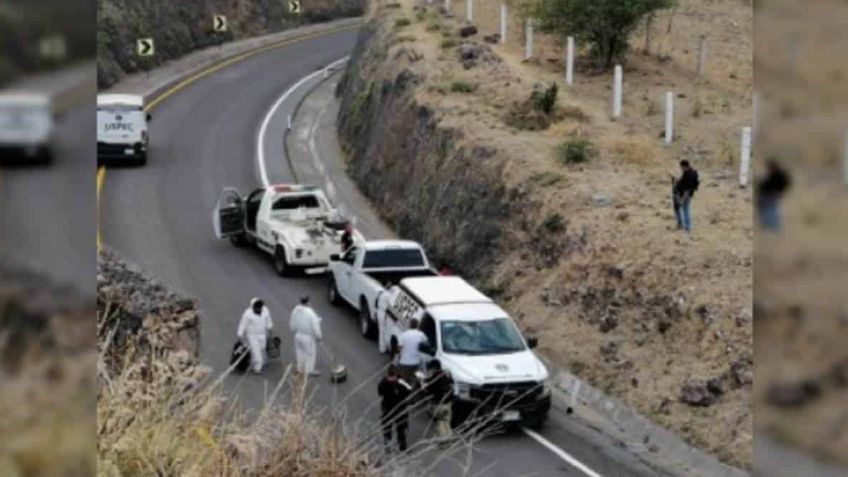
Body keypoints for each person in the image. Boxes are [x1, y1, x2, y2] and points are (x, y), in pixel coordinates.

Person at [378, 364, 412, 453]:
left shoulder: (386, 382)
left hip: (392, 409)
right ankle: (398, 448)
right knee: (394, 429)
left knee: (393, 429)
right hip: (395, 409)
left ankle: (394, 448)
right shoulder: (392, 382)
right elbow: (409, 391)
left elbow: (380, 392)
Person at [237, 298, 273, 373]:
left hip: (262, 334)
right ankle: (257, 368)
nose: (259, 309)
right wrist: (240, 334)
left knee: (261, 349)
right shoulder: (247, 314)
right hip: (252, 335)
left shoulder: (265, 311)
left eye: (260, 307)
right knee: (256, 350)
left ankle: (254, 363)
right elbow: (243, 324)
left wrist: (270, 329)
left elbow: (268, 320)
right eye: (257, 307)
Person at [289, 295, 323, 376]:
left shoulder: (295, 310)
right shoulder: (311, 313)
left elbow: (292, 323)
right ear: (308, 302)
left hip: (297, 335)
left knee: (299, 352)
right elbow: (315, 326)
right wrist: (318, 336)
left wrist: (294, 329)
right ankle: (309, 370)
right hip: (308, 336)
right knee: (310, 354)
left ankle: (300, 368)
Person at [757, 159, 791, 231]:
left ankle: (772, 227)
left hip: (770, 195)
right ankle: (769, 226)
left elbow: (769, 185)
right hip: (767, 196)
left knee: (770, 211)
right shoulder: (774, 174)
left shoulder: (777, 175)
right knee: (768, 211)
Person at [423, 359, 454, 440]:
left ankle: (443, 441)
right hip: (448, 403)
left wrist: (424, 384)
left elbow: (428, 389)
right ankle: (449, 437)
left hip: (439, 403)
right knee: (446, 421)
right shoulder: (446, 375)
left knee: (439, 422)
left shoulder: (435, 379)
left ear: (433, 368)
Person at [397, 318, 429, 383]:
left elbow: (399, 347)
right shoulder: (421, 334)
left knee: (404, 382)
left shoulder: (404, 334)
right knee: (415, 381)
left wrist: (400, 354)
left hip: (404, 362)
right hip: (416, 362)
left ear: (409, 325)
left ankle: (405, 391)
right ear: (417, 325)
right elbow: (426, 345)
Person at [672, 160, 700, 232]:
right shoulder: (693, 172)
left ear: (685, 166)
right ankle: (685, 226)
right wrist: (677, 180)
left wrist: (682, 200)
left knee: (683, 210)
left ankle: (685, 227)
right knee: (685, 210)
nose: (681, 169)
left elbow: (687, 190)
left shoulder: (688, 175)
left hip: (683, 195)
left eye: (681, 167)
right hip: (687, 195)